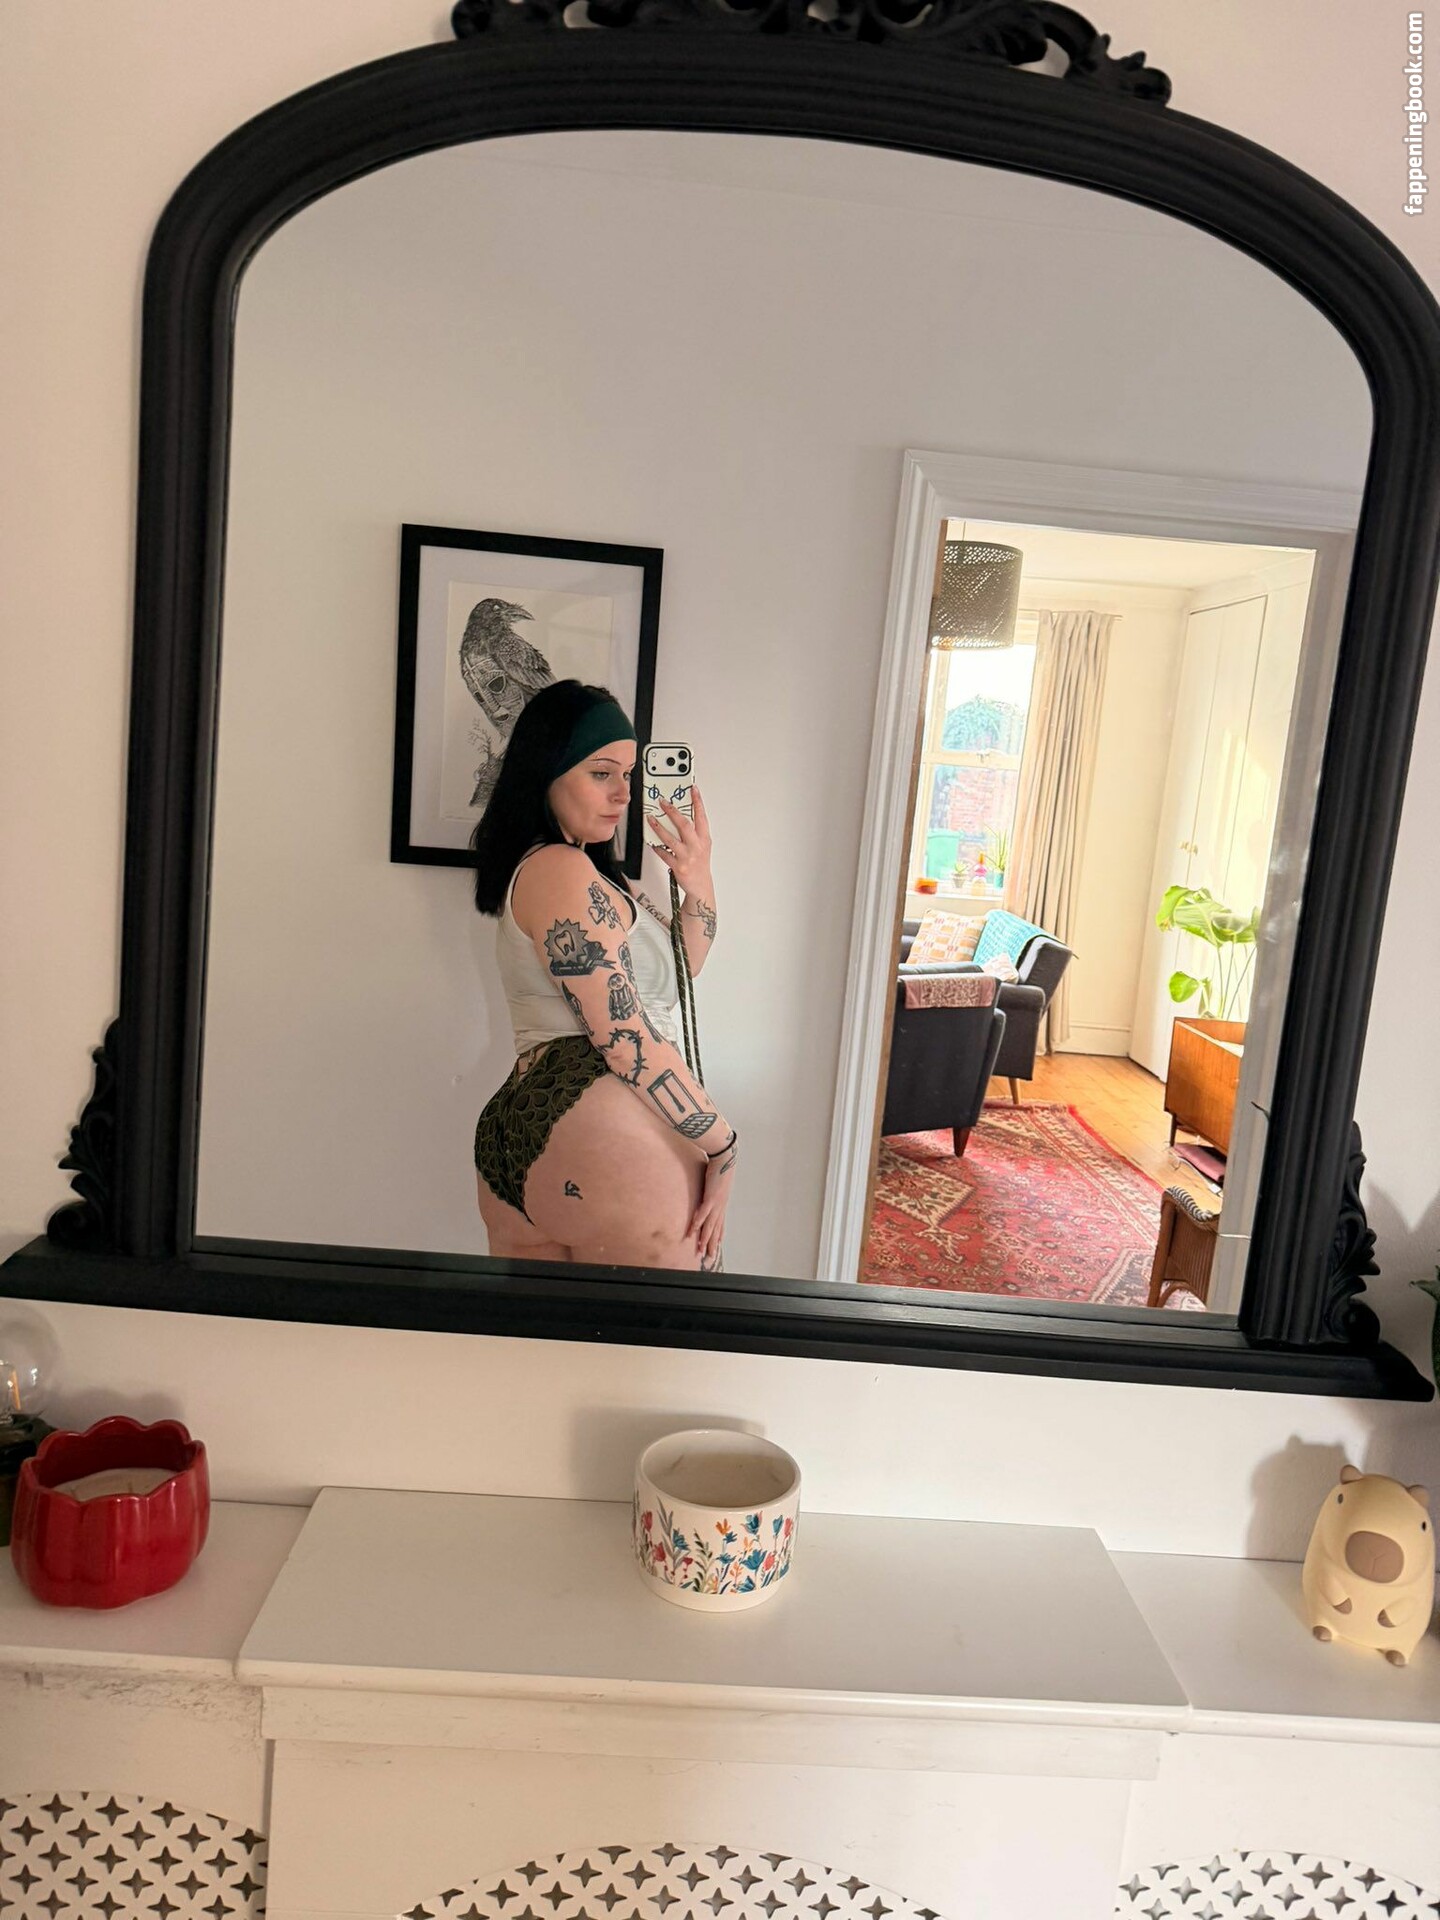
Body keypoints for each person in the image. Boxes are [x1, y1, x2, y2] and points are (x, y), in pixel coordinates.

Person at [471, 679, 735, 1270]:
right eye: (601, 773)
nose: (623, 794)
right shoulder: (560, 870)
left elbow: (680, 972)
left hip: (524, 1134)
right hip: (604, 1131)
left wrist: (698, 878)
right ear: (546, 773)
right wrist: (723, 1143)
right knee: (654, 1334)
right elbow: (623, 1037)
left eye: (629, 775)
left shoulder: (595, 880)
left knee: (540, 1334)